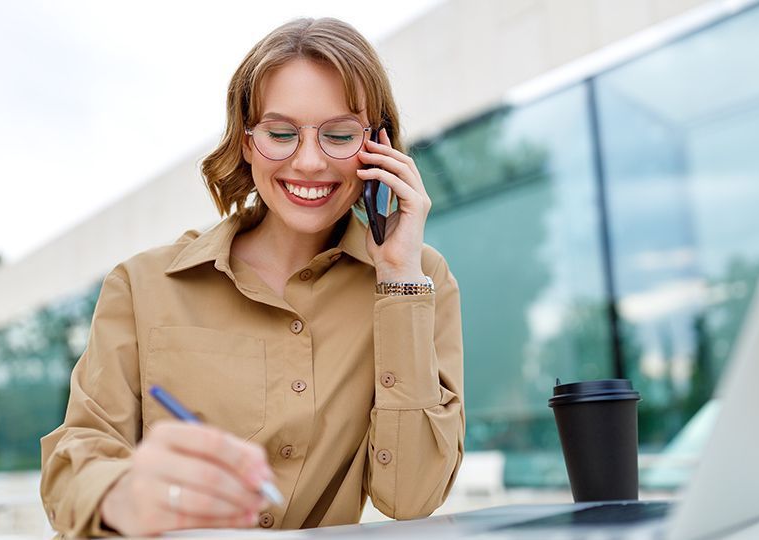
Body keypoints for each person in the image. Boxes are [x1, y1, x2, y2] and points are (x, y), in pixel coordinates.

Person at [40, 17, 464, 537]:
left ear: (378, 145)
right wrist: (125, 495)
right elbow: (73, 465)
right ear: (245, 142)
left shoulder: (421, 282)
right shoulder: (141, 285)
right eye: (281, 133)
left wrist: (399, 279)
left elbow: (410, 497)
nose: (309, 162)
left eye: (338, 135)